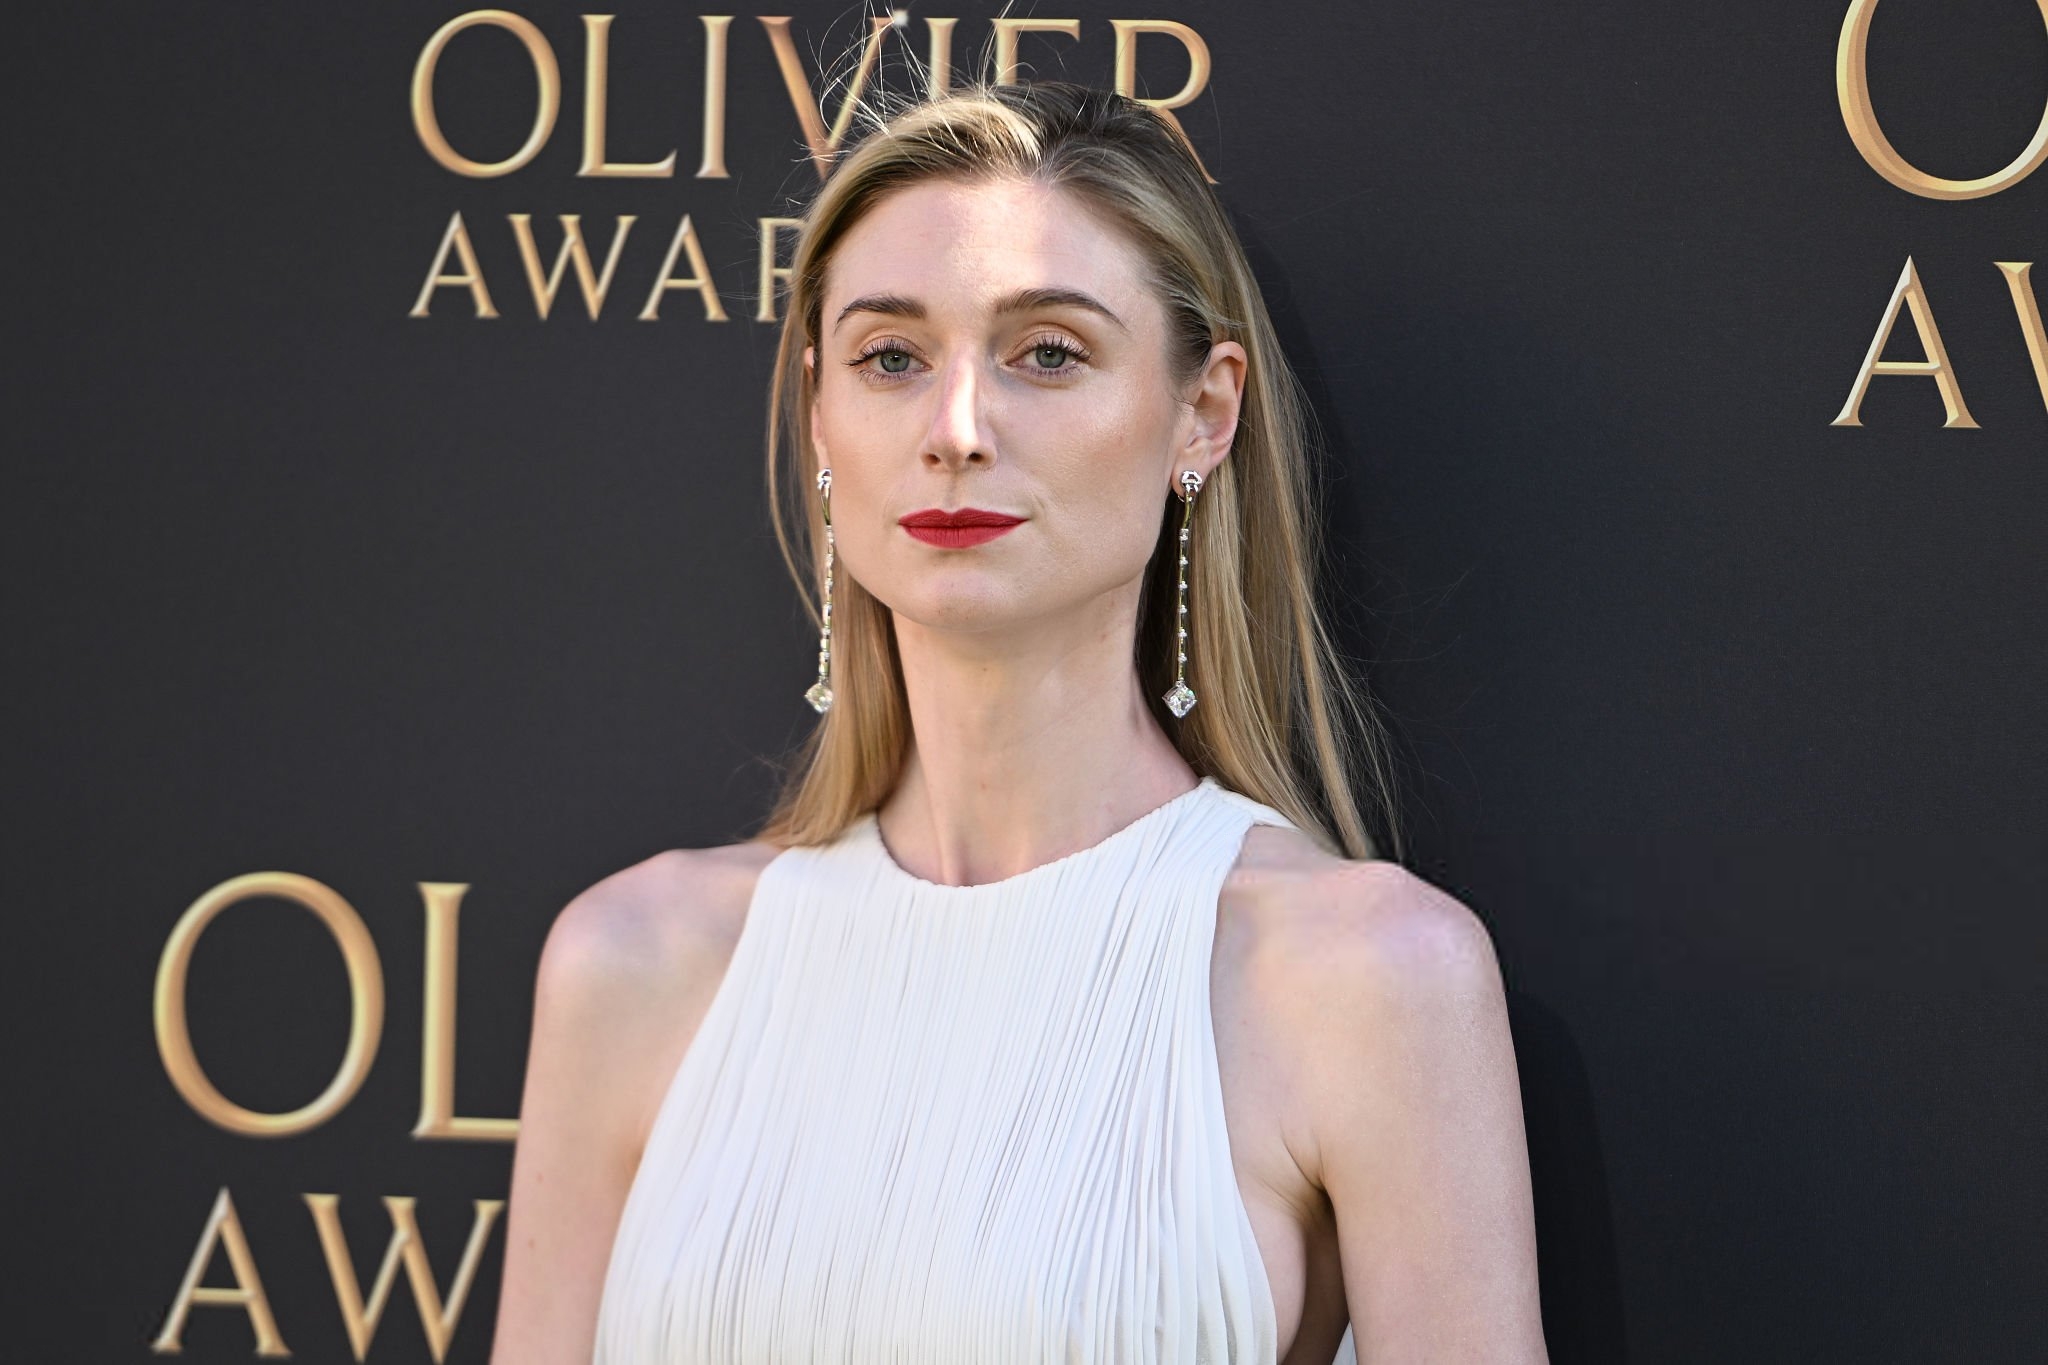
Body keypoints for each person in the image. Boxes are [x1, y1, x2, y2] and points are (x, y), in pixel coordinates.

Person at [490, 81, 1546, 1364]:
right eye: (890, 358)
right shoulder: (633, 962)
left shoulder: (1367, 978)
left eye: (1046, 352)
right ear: (821, 412)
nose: (954, 431)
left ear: (1203, 414)